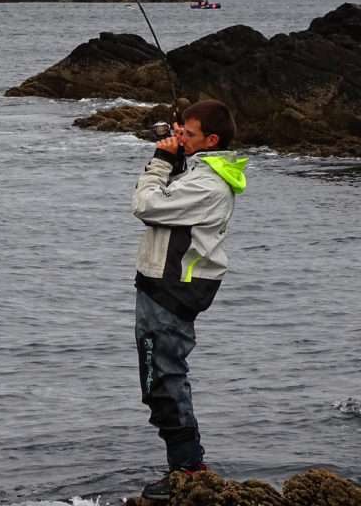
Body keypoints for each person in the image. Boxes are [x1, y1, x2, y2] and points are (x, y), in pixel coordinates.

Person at [131, 100, 248, 502]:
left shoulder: (208, 185)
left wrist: (160, 161)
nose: (179, 136)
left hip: (173, 288)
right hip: (164, 284)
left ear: (211, 140)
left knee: (162, 377)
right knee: (158, 376)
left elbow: (146, 206)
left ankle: (189, 466)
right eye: (181, 131)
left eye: (189, 134)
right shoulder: (202, 171)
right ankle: (184, 461)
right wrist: (179, 155)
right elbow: (174, 197)